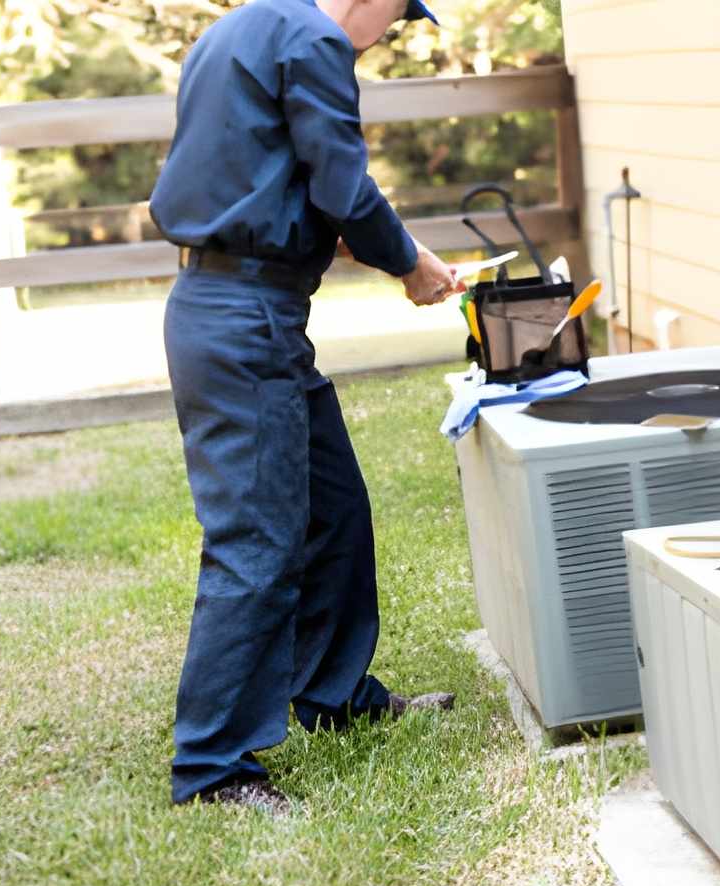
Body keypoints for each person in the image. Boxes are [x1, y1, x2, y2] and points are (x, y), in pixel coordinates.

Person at [150, 0, 465, 815]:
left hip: (229, 308)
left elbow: (290, 182)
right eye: (396, 22)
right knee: (256, 541)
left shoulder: (237, 30)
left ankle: (333, 699)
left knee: (333, 507)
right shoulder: (317, 39)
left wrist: (395, 244)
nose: (385, 38)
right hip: (243, 319)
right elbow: (342, 185)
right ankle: (213, 767)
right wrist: (411, 266)